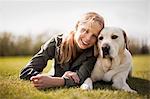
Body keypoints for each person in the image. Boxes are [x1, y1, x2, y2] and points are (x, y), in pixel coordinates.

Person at [20, 12, 104, 89]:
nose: (88, 38)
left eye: (94, 35)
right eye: (85, 30)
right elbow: (26, 70)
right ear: (77, 27)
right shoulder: (57, 42)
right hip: (52, 75)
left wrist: (55, 81)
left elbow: (80, 78)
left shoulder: (93, 52)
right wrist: (40, 78)